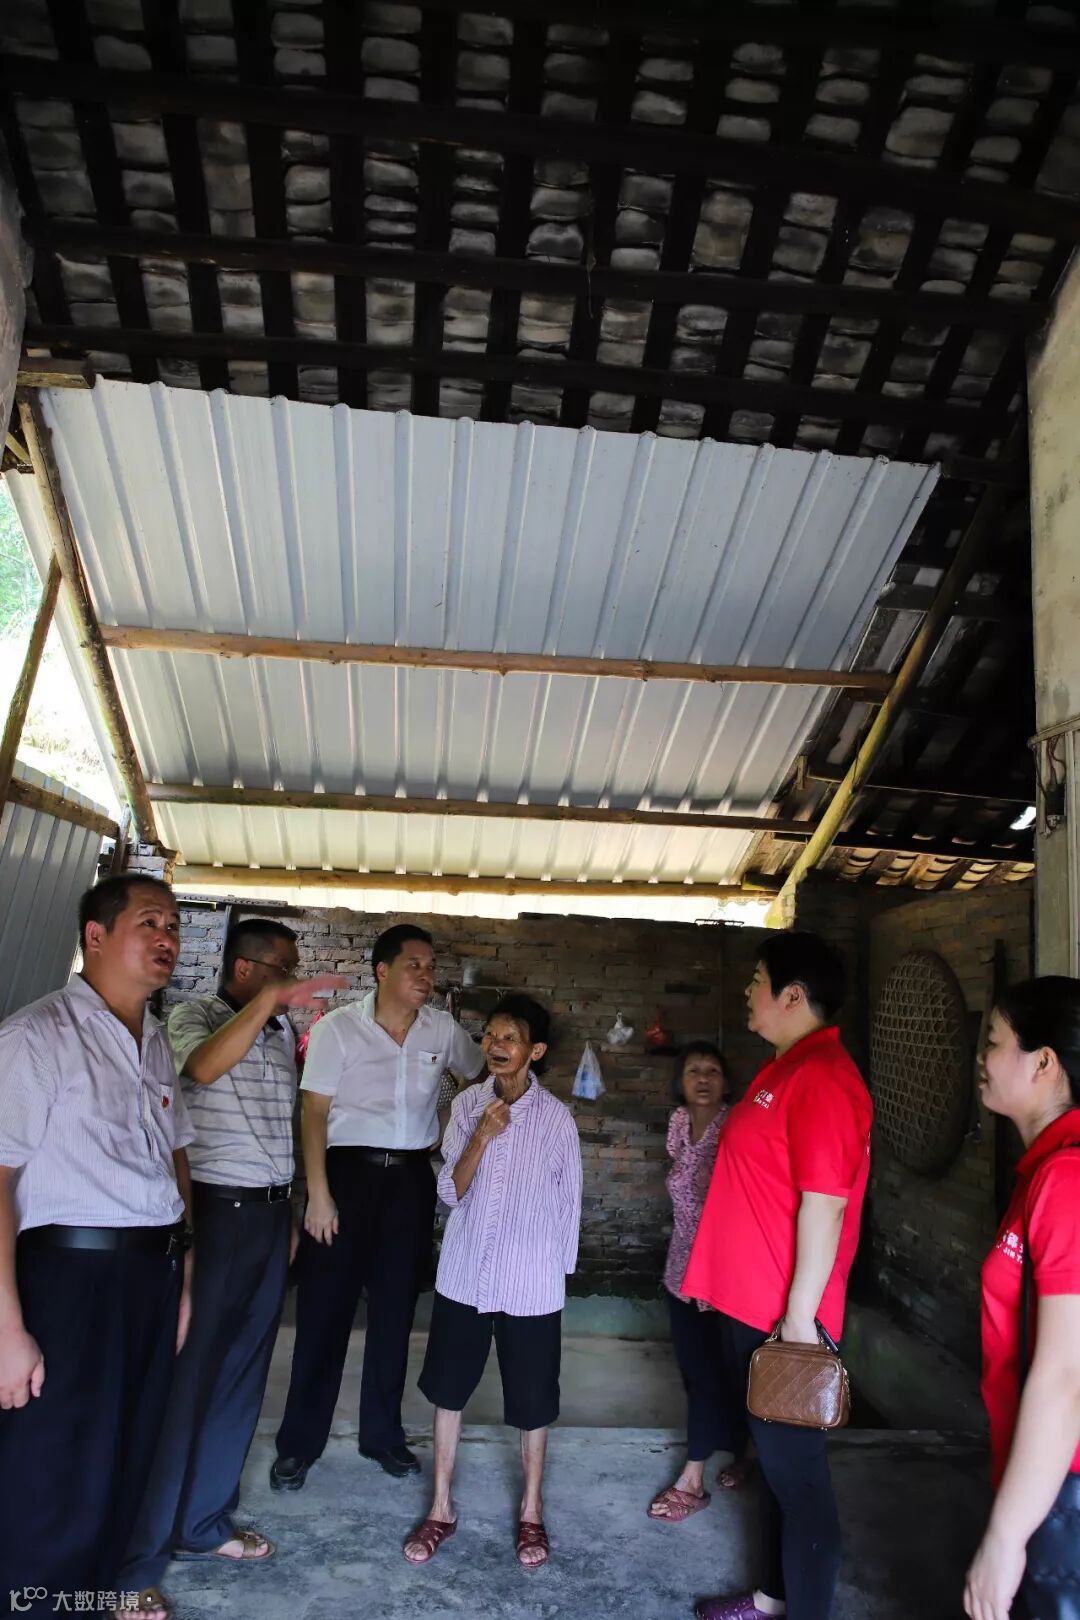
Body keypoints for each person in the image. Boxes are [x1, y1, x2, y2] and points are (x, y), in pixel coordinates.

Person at [118, 918, 346, 1605]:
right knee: (187, 1383)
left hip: (268, 1217)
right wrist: (268, 1004)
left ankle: (203, 1523)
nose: (293, 981)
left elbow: (280, 1128)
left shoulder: (276, 1030)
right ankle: (143, 1553)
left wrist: (291, 1209)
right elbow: (201, 1068)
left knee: (242, 1378)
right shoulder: (194, 1016)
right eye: (283, 969)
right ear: (245, 969)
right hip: (215, 1214)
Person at [0, 875, 194, 1620]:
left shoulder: (155, 1044)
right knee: (53, 1464)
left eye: (173, 925)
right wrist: (7, 1327)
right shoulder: (38, 1036)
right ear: (96, 935)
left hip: (149, 1275)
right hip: (68, 1278)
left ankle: (91, 1598)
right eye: (149, 922)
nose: (167, 937)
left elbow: (174, 1157)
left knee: (126, 1455)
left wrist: (182, 1272)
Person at [683, 931, 872, 1620]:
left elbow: (825, 1205)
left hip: (783, 1321)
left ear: (792, 996)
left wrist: (798, 1323)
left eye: (756, 979)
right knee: (774, 1470)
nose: (747, 991)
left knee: (801, 1486)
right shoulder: (783, 1068)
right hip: (753, 1308)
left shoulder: (824, 1077)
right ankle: (770, 1599)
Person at [272, 924, 485, 1488]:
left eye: (431, 966)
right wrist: (318, 1195)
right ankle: (298, 1444)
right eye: (414, 964)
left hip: (410, 1181)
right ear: (382, 970)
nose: (425, 975)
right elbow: (314, 1113)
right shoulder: (338, 1029)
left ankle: (382, 1437)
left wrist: (452, 1121)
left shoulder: (442, 1029)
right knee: (324, 1313)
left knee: (394, 1315)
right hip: (345, 1178)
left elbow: (482, 1074)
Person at [404, 994, 582, 1570]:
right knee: (448, 1392)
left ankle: (531, 1511)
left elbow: (569, 1204)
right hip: (465, 1275)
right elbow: (450, 1193)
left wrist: (555, 1276)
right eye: (490, 1036)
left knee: (533, 1402)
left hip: (531, 1284)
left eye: (510, 1038)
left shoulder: (556, 1119)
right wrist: (482, 1134)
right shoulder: (467, 1106)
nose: (496, 1046)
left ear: (535, 1050)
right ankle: (441, 1508)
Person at [964, 977, 1080, 1620]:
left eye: (994, 1041)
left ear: (1043, 1062)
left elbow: (1067, 1376)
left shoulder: (1068, 1179)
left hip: (1066, 1490)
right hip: (1045, 1480)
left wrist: (1005, 1538)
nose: (981, 1057)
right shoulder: (1044, 1170)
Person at [649, 1042, 749, 1524]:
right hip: (681, 1271)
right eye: (694, 1071)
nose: (703, 1078)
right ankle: (741, 1450)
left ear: (726, 1083)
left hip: (725, 1273)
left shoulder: (739, 1126)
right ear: (681, 1082)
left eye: (713, 1070)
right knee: (697, 1371)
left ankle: (693, 1478)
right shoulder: (678, 1124)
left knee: (723, 1371)